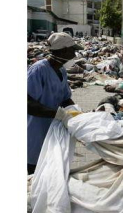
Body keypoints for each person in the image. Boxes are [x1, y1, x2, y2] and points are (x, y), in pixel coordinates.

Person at [27, 32, 83, 175]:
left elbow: (65, 98)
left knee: (49, 171)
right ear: (63, 50)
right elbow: (27, 102)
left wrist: (76, 112)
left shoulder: (61, 71)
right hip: (35, 132)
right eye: (72, 50)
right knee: (33, 173)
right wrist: (58, 114)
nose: (74, 54)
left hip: (52, 131)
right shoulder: (39, 70)